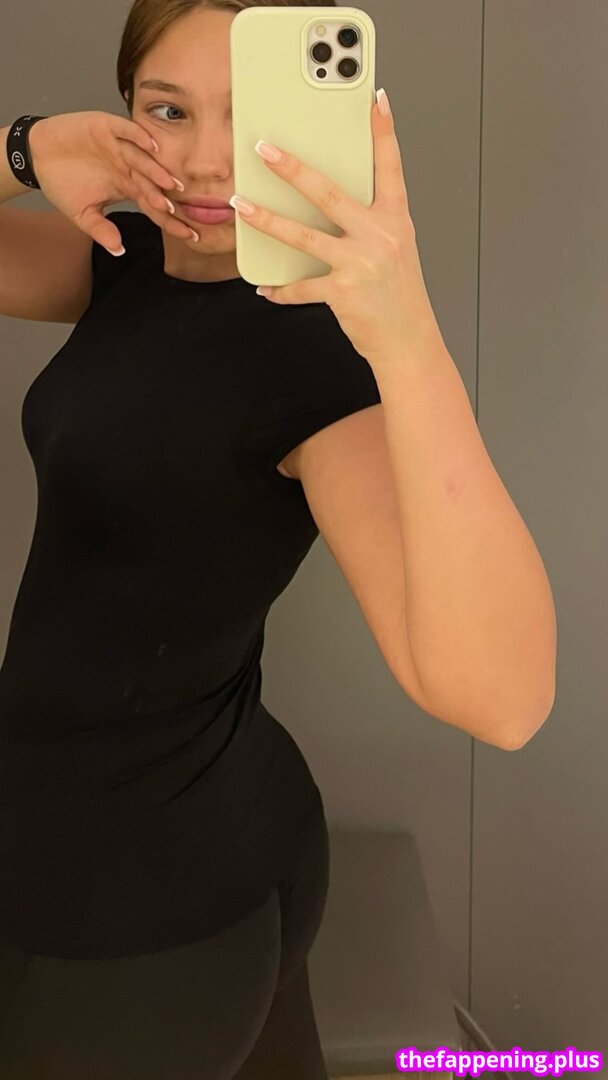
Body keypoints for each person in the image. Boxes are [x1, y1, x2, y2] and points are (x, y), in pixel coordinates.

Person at [0, 1, 385, 1077]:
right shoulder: (124, 265)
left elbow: (493, 689)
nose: (207, 159)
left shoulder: (318, 354)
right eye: (167, 110)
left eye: (252, 114)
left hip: (151, 905)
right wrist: (25, 148)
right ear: (124, 112)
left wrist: (400, 328)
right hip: (172, 829)